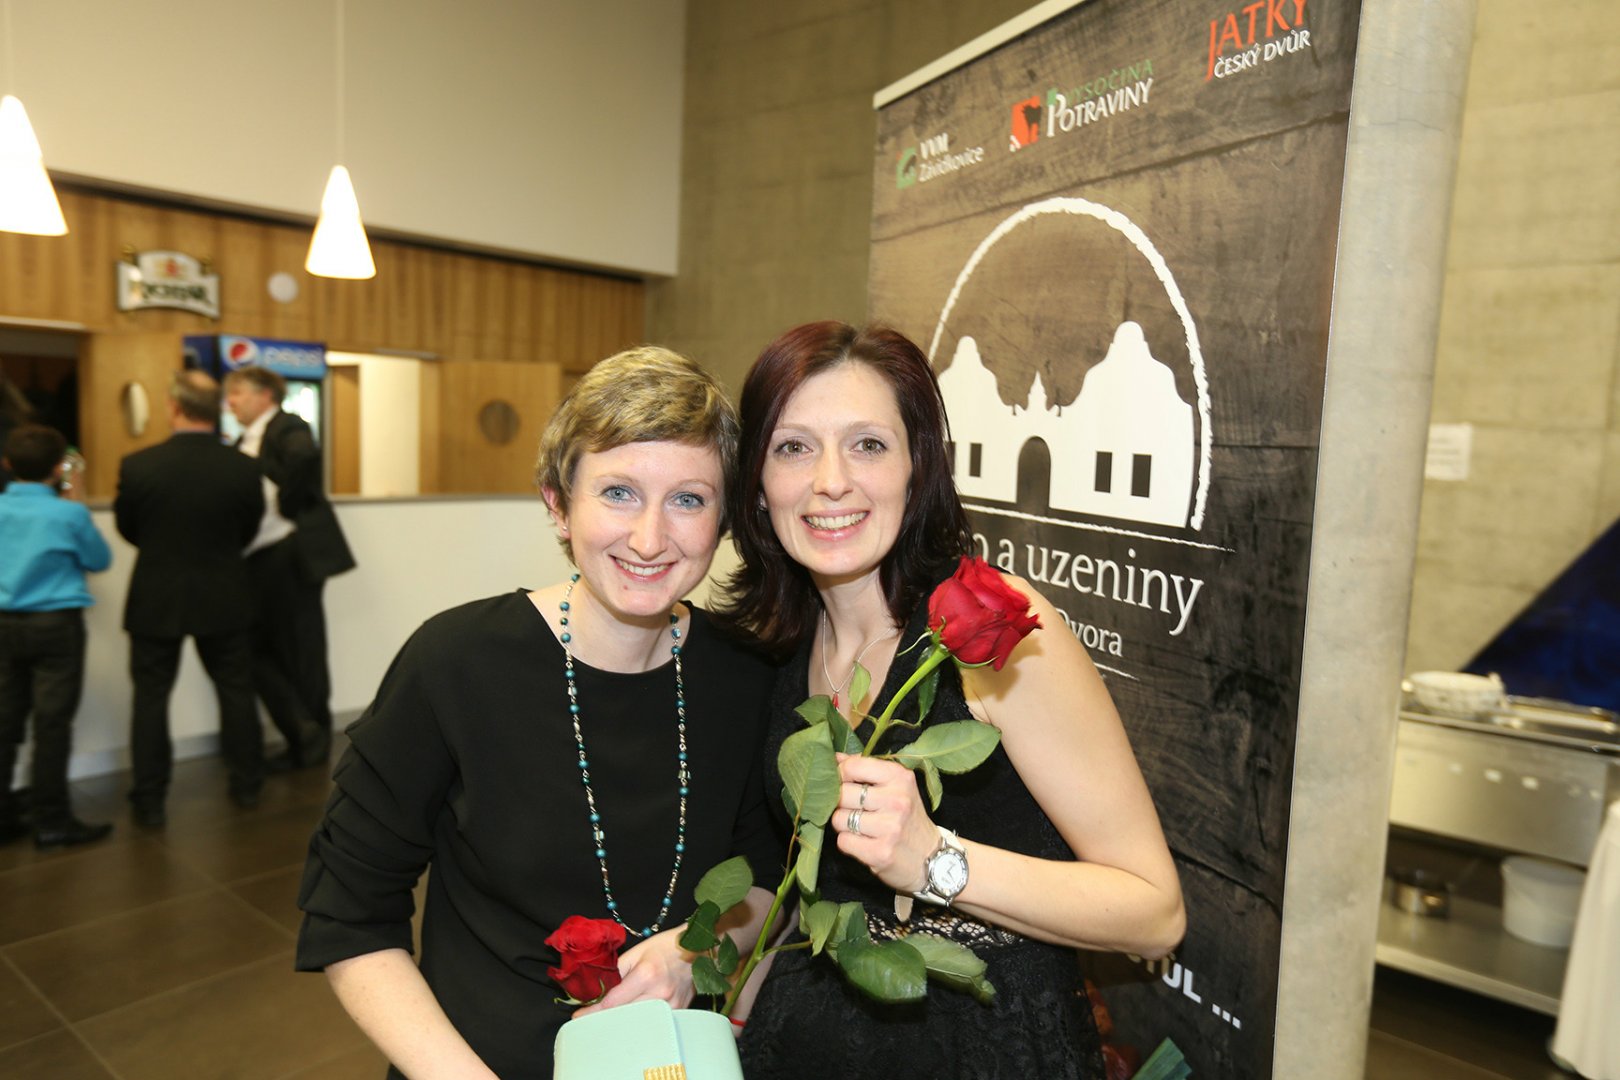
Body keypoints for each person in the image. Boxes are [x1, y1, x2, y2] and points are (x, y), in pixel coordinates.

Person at [295, 346, 780, 1080]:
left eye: (688, 499)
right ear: (558, 504)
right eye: (618, 493)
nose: (650, 538)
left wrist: (698, 950)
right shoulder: (454, 665)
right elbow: (350, 915)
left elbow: (767, 874)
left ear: (724, 520)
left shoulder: (745, 676)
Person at [723, 322, 1186, 1079]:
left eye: (868, 444)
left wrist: (936, 861)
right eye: (793, 447)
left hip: (988, 1053)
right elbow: (803, 890)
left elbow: (1154, 912)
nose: (830, 480)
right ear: (757, 482)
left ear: (918, 466)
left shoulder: (990, 627)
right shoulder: (784, 647)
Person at [115, 371, 266, 826]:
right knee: (236, 690)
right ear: (216, 408)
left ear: (174, 407)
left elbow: (130, 529)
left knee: (150, 698)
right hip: (224, 590)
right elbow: (248, 528)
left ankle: (149, 799)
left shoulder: (138, 465)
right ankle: (247, 783)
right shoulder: (242, 466)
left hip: (156, 594)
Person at [224, 365, 355, 771]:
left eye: (238, 393)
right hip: (264, 556)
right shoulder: (245, 438)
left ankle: (311, 739)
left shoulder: (287, 426)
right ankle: (303, 733)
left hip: (290, 554)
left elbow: (302, 459)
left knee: (299, 649)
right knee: (265, 648)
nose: (231, 402)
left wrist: (286, 504)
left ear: (265, 395)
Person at [0, 424, 114, 848]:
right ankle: (51, 820)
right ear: (57, 468)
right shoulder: (68, 514)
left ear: (7, 464)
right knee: (52, 725)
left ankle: (3, 816)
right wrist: (76, 497)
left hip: (4, 624)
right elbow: (98, 560)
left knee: (4, 721)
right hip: (55, 627)